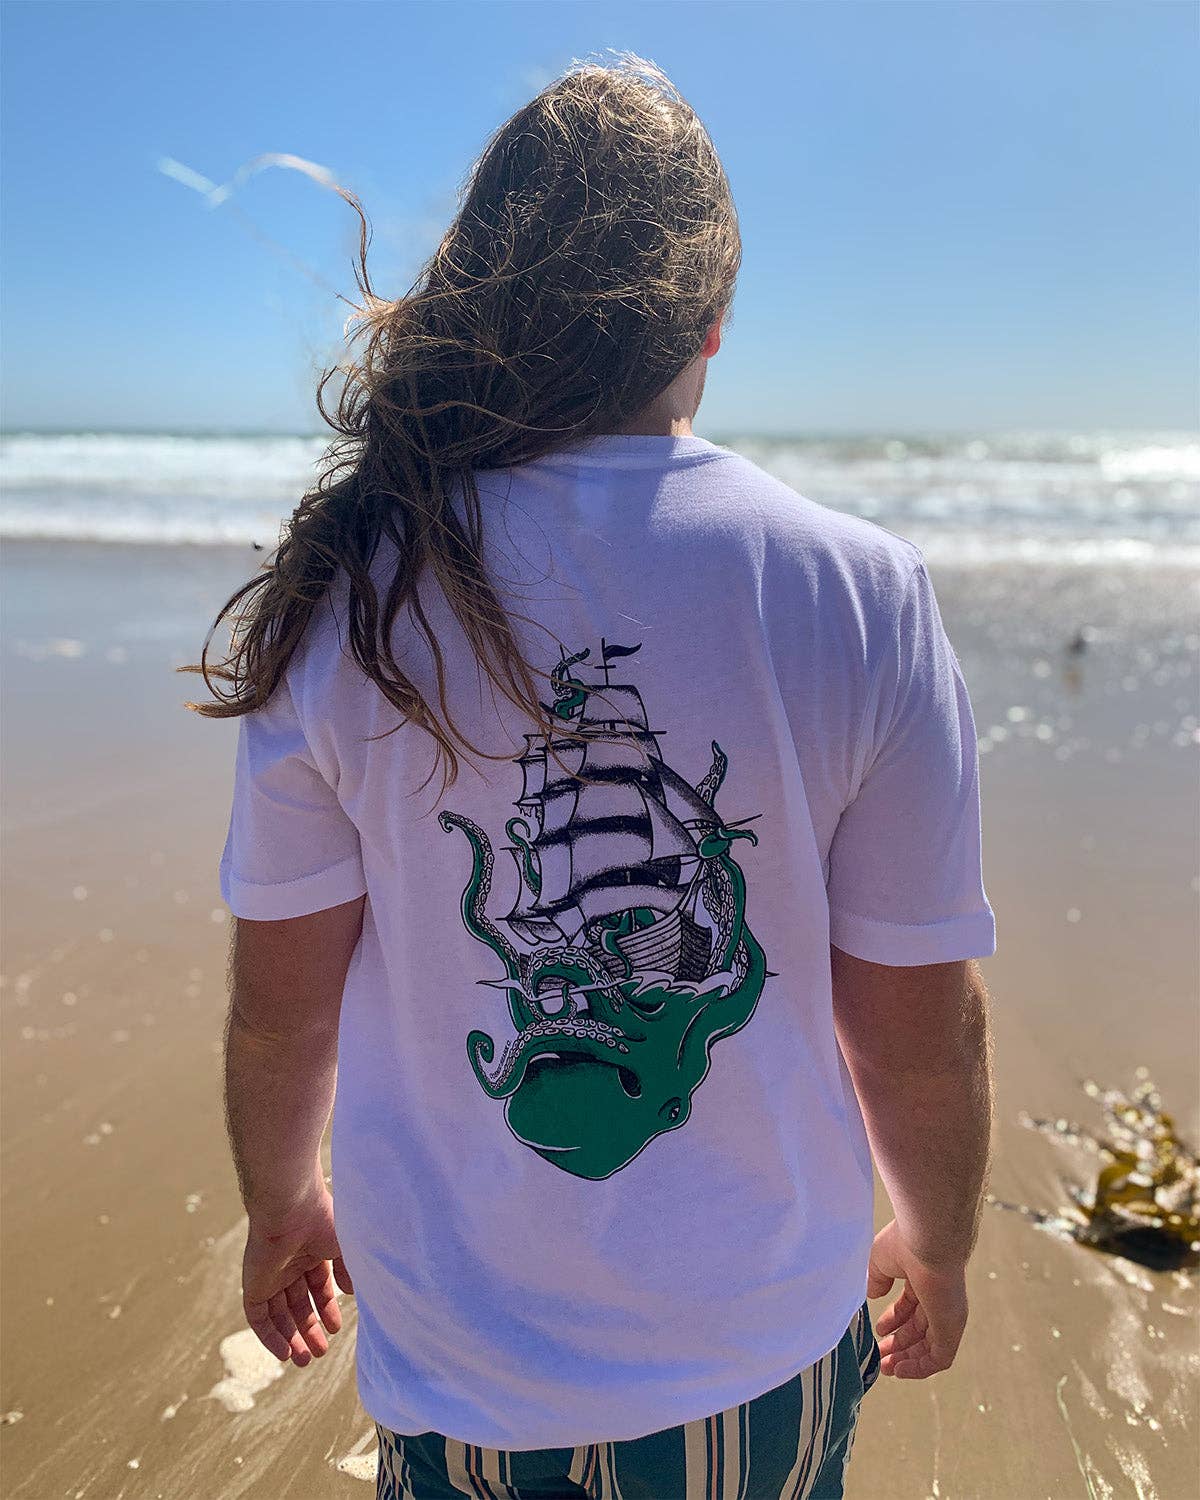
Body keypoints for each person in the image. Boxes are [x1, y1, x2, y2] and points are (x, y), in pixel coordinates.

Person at [196, 52, 996, 1500]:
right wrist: (939, 1241)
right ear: (715, 318)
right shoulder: (861, 595)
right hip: (755, 1355)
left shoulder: (352, 590)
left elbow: (281, 1007)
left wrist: (280, 1202)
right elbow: (916, 1033)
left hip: (457, 1368)